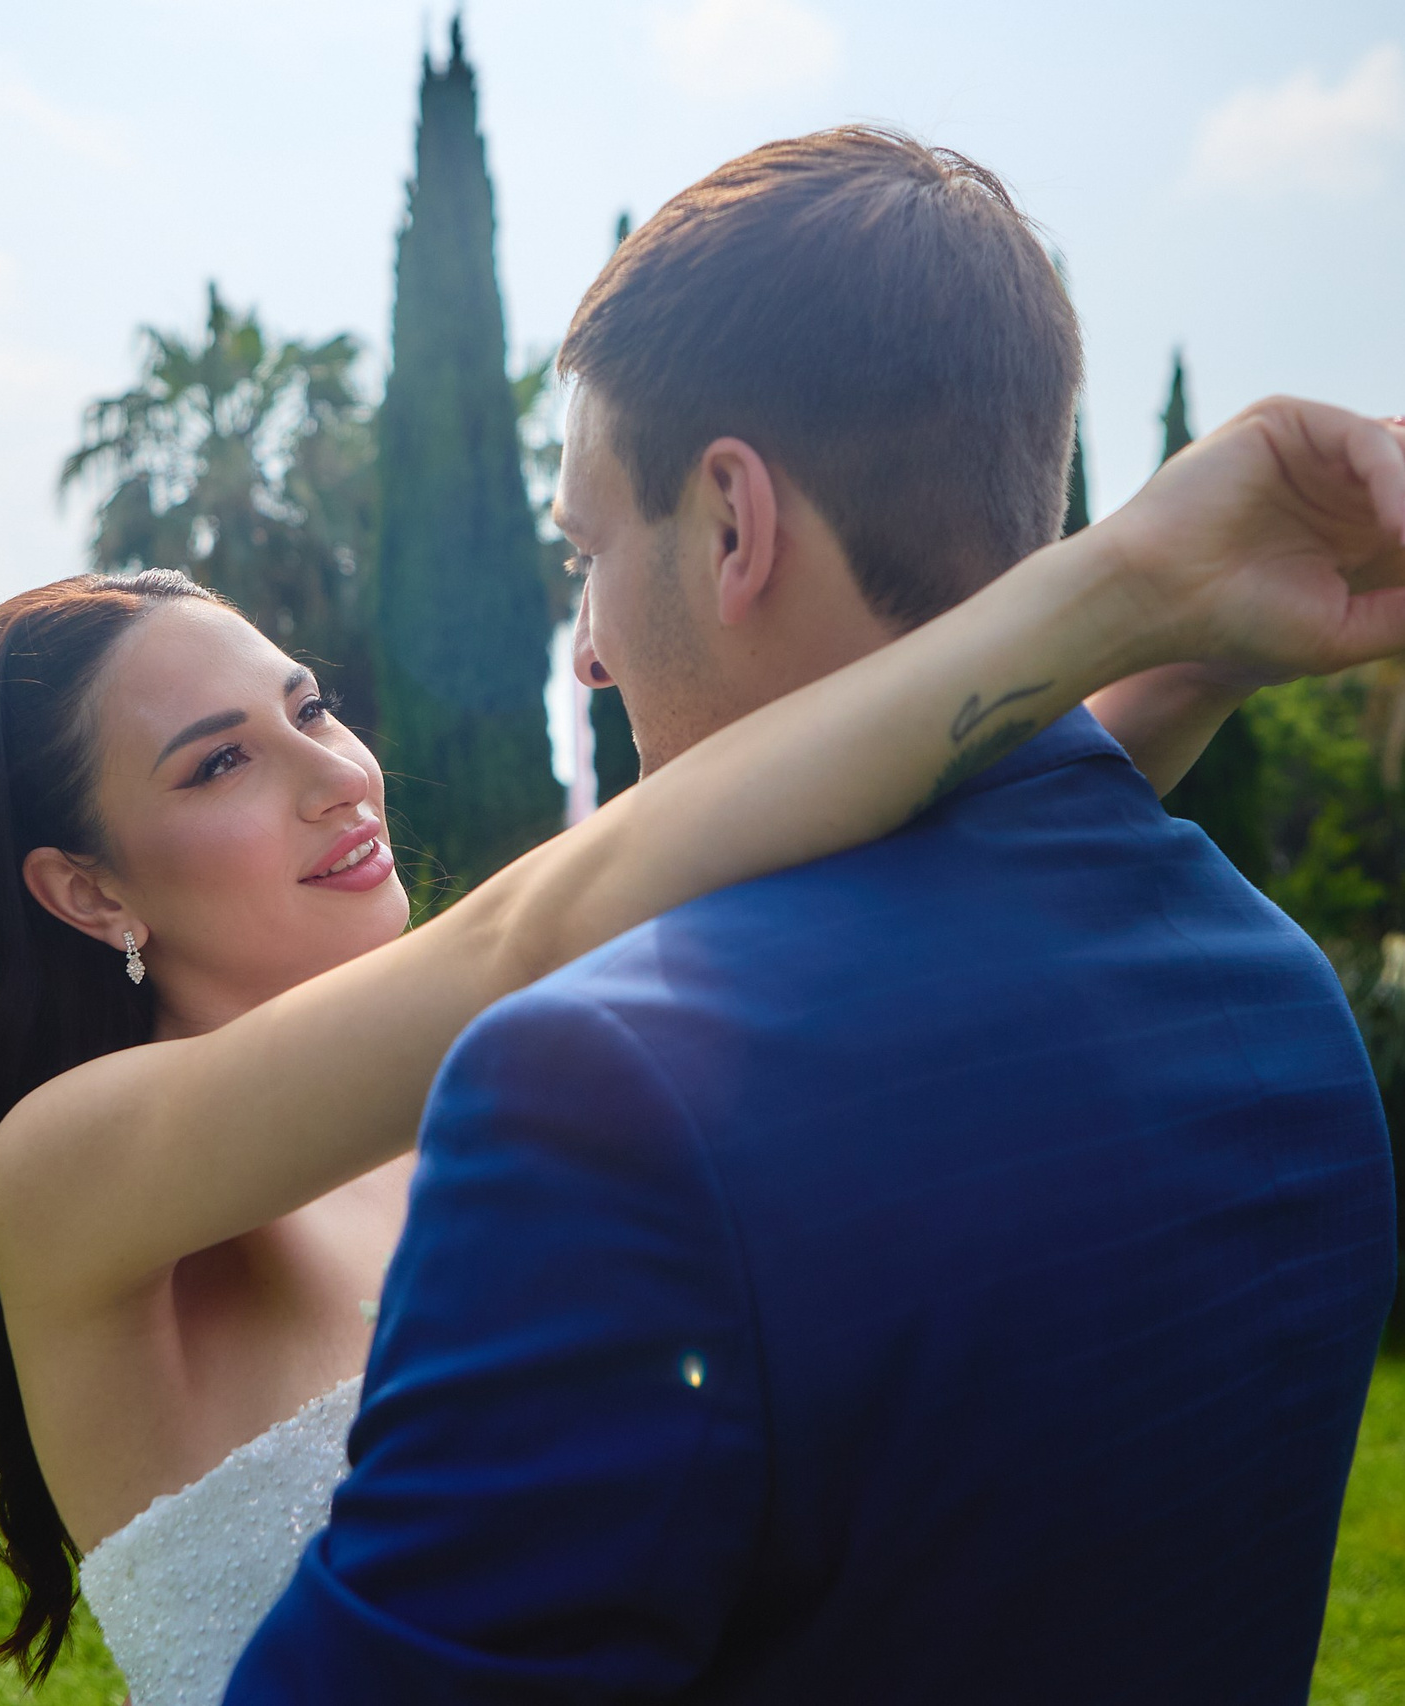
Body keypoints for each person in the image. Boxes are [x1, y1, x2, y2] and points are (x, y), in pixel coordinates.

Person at [222, 131, 1405, 1704]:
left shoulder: (603, 1095)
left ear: (732, 523)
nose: (584, 649)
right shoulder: (1282, 1000)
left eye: (586, 549)